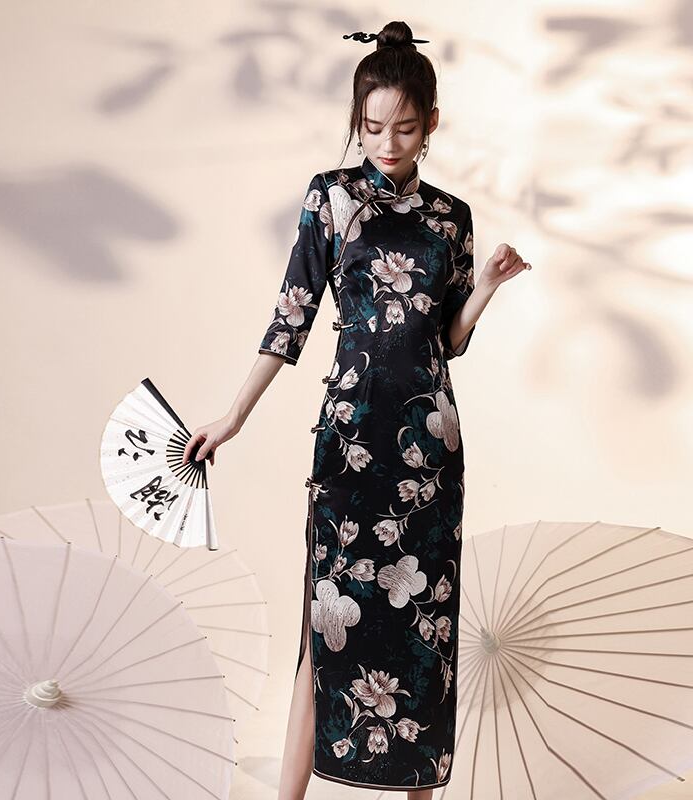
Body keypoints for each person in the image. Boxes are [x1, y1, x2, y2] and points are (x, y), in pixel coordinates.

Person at [182, 20, 531, 800]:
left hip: (429, 448)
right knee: (323, 628)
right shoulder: (331, 197)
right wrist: (234, 416)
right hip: (350, 440)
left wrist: (485, 287)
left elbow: (448, 341)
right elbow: (292, 316)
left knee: (425, 629)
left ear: (431, 123)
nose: (386, 142)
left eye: (404, 128)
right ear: (357, 121)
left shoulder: (451, 217)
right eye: (372, 127)